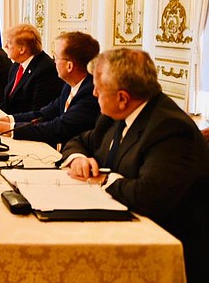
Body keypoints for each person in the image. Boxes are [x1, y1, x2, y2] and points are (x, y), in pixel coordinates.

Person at [61, 48, 209, 282]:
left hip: (168, 249)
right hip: (119, 223)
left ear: (122, 98)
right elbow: (78, 141)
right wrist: (79, 159)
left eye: (99, 87)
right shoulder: (115, 115)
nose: (94, 92)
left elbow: (147, 196)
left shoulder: (169, 129)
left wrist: (102, 179)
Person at [0, 31, 101, 148]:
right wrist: (1, 120)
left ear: (69, 66)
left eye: (56, 57)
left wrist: (2, 127)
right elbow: (42, 114)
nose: (54, 61)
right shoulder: (69, 86)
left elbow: (57, 128)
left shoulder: (90, 93)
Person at [1, 23, 63, 114]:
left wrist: (6, 122)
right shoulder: (16, 66)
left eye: (9, 43)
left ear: (22, 49)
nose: (5, 46)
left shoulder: (46, 70)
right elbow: (7, 102)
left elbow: (37, 112)